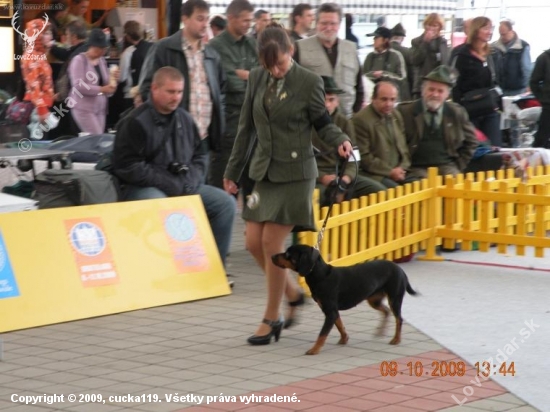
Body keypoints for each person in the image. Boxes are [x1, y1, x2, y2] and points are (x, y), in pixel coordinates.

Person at [223, 26, 352, 345]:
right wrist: (233, 170)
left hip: (296, 173)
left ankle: (272, 318)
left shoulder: (309, 82)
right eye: (269, 66)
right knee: (252, 241)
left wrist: (341, 141)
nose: (275, 70)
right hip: (264, 170)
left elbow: (323, 123)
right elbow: (246, 129)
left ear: (290, 51)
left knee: (271, 244)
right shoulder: (256, 77)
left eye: (279, 63)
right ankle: (293, 293)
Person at [113, 66, 236, 275]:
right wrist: (170, 183)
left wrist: (192, 180)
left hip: (183, 183)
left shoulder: (186, 119)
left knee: (225, 203)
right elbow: (127, 166)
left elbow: (200, 156)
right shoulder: (135, 121)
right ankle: (162, 272)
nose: (176, 97)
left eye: (180, 92)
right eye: (171, 92)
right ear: (154, 89)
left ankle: (215, 269)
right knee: (157, 203)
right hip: (142, 187)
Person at [139, 0, 226, 164]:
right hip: (171, 138)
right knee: (175, 187)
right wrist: (164, 125)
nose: (205, 24)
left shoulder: (212, 55)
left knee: (200, 187)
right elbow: (147, 89)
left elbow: (220, 93)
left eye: (207, 19)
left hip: (204, 139)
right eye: (200, 19)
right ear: (185, 19)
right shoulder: (163, 49)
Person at [208, 0, 258, 194]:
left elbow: (266, 77)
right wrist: (252, 77)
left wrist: (246, 75)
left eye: (250, 21)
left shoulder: (253, 44)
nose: (249, 24)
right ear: (231, 18)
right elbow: (227, 83)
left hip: (254, 126)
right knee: (222, 189)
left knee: (254, 192)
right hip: (228, 126)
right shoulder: (215, 47)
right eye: (245, 20)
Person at [398, 66, 478, 179]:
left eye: (440, 91)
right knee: (422, 188)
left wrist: (459, 165)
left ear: (447, 95)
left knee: (457, 187)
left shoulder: (456, 112)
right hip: (415, 167)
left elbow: (472, 141)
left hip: (447, 165)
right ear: (423, 90)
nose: (435, 94)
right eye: (431, 89)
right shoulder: (406, 111)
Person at [315, 76, 386, 203]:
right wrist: (322, 177)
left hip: (342, 175)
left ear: (337, 101)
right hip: (315, 177)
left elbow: (354, 158)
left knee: (379, 191)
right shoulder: (304, 124)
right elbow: (299, 161)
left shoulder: (345, 123)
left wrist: (345, 179)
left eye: (331, 100)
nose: (327, 105)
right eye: (323, 100)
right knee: (319, 198)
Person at [294, 3, 364, 118]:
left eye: (333, 23)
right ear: (316, 23)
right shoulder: (300, 47)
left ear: (339, 24)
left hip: (346, 120)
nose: (328, 27)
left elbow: (359, 87)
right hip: (313, 122)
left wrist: (354, 114)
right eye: (324, 23)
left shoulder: (351, 48)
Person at [452, 16, 502, 147]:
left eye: (490, 28)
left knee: (495, 148)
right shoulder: (461, 55)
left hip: (489, 107)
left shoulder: (492, 53)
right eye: (485, 28)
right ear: (476, 30)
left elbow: (495, 80)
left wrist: (497, 100)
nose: (489, 32)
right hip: (469, 110)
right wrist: (460, 109)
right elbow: (454, 84)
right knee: (473, 149)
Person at [353, 81, 411, 188]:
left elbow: (403, 148)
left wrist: (402, 168)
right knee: (397, 192)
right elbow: (364, 157)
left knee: (418, 186)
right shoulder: (361, 120)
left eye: (392, 100)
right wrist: (390, 172)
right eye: (384, 99)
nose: (389, 104)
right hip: (375, 174)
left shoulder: (396, 115)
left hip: (400, 171)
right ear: (373, 99)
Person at [68, 28, 117, 134]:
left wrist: (113, 81)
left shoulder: (102, 61)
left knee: (97, 140)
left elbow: (108, 88)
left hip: (100, 108)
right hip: (83, 108)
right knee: (96, 139)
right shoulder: (79, 60)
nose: (103, 51)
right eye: (100, 48)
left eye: (104, 48)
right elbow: (78, 86)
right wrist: (101, 89)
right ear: (92, 46)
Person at [20, 19, 55, 135]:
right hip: (37, 107)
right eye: (45, 33)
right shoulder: (31, 56)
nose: (50, 36)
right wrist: (42, 110)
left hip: (40, 105)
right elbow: (33, 85)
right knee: (37, 144)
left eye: (49, 33)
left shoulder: (39, 55)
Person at [411, 13, 449, 99]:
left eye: (435, 26)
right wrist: (425, 42)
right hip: (422, 85)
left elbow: (446, 63)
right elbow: (415, 60)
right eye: (429, 25)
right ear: (425, 26)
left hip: (440, 84)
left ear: (440, 27)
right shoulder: (416, 41)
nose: (431, 28)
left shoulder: (443, 42)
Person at [363, 27, 407, 100]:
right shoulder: (370, 57)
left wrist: (383, 74)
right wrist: (373, 75)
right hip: (372, 98)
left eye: (376, 37)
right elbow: (363, 78)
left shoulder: (396, 56)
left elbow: (402, 79)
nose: (374, 40)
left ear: (385, 40)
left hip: (391, 98)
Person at [491, 19, 531, 96]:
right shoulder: (494, 47)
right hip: (499, 89)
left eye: (504, 34)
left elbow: (526, 68)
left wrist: (528, 86)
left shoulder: (522, 46)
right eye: (500, 34)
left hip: (518, 89)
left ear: (511, 31)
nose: (502, 37)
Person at [118, 20, 152, 111]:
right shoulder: (153, 47)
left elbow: (122, 78)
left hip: (132, 96)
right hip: (150, 94)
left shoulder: (128, 53)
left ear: (128, 36)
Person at [530, 49, 550, 148]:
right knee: (541, 142)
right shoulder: (544, 57)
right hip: (548, 108)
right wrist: (543, 99)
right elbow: (534, 82)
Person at [390, 23, 413, 100]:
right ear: (402, 38)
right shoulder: (407, 52)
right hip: (402, 91)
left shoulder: (384, 50)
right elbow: (411, 74)